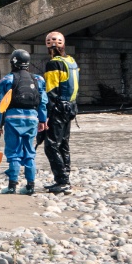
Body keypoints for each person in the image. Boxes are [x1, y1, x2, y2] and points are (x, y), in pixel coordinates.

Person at [0, 49, 48, 195]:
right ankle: (30, 186)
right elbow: (42, 102)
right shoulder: (39, 80)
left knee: (13, 153)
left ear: (13, 62)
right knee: (29, 152)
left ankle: (12, 186)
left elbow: (1, 103)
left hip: (12, 119)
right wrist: (42, 120)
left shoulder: (7, 80)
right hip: (32, 119)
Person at [42, 31, 80, 193]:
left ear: (48, 46)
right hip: (71, 107)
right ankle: (66, 178)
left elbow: (50, 91)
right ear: (63, 45)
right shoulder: (71, 61)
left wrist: (45, 115)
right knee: (63, 144)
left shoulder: (53, 64)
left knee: (51, 146)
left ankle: (62, 180)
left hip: (58, 108)